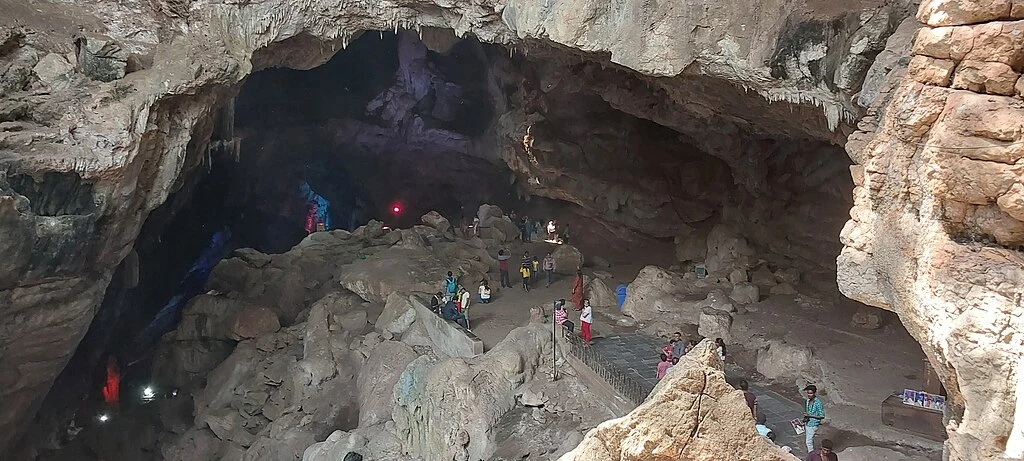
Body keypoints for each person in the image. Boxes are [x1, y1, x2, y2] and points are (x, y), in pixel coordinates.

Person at [803, 385, 826, 453]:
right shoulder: (807, 401)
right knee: (808, 440)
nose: (809, 395)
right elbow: (807, 412)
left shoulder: (818, 403)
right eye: (808, 393)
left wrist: (810, 415)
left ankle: (811, 454)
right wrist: (804, 419)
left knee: (808, 442)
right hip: (807, 422)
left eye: (810, 393)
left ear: (814, 393)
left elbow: (822, 416)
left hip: (813, 424)